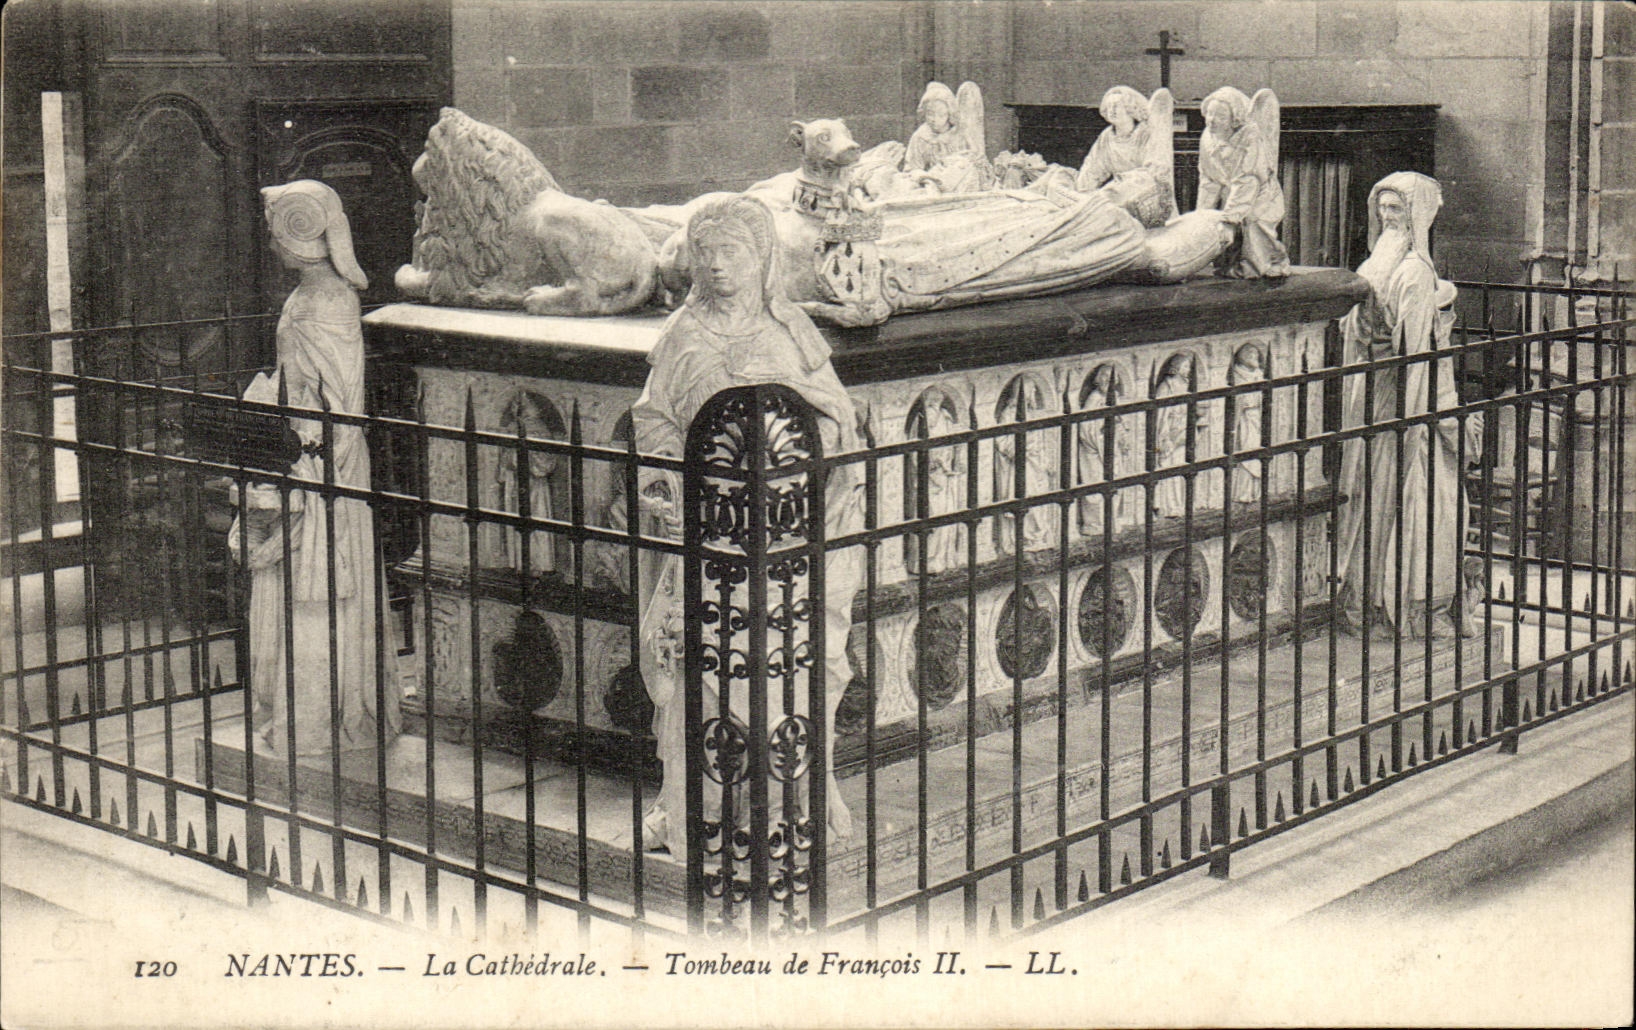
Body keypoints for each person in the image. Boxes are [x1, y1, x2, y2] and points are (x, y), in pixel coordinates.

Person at [630, 195, 862, 854]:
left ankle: (791, 801)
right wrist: (669, 479)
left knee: (789, 667)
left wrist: (787, 446)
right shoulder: (681, 335)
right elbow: (653, 422)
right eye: (706, 253)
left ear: (760, 260)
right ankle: (694, 807)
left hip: (783, 536)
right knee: (697, 669)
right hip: (708, 531)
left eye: (732, 251)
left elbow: (835, 419)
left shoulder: (790, 333)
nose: (718, 265)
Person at [231, 180, 400, 754]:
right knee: (289, 593)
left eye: (277, 233)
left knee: (319, 596)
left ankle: (321, 719)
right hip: (294, 453)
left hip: (319, 467)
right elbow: (297, 382)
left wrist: (301, 460)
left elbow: (340, 407)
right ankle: (299, 715)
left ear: (298, 238)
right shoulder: (306, 294)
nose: (272, 245)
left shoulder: (329, 300)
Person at [1333, 172, 1480, 639]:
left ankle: (1380, 602)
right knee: (1415, 502)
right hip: (1402, 403)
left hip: (1387, 399)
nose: (1386, 216)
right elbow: (1417, 356)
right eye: (1382, 208)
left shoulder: (1393, 267)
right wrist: (1424, 416)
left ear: (1418, 215)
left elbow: (1405, 346)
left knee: (1397, 500)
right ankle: (1404, 607)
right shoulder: (1404, 268)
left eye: (1396, 209)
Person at [1197, 87, 1291, 279]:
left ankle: (1268, 265)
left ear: (1234, 119)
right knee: (1224, 236)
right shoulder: (1207, 137)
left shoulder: (1250, 135)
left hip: (1260, 196)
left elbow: (1248, 179)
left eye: (1220, 116)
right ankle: (1229, 266)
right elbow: (1208, 179)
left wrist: (1231, 218)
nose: (1212, 120)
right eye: (1210, 114)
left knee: (1253, 227)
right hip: (1232, 196)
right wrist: (1203, 214)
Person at [1075, 86, 1176, 228]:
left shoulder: (1146, 134)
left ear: (1130, 108)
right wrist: (1082, 194)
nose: (1112, 110)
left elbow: (1154, 173)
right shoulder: (1107, 137)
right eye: (1109, 106)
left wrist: (1122, 187)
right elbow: (1093, 166)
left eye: (1116, 106)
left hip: (1147, 201)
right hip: (1118, 198)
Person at [1151, 354, 1195, 518]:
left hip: (1183, 431)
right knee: (1169, 471)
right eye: (1185, 367)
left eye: (1189, 367)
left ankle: (1179, 505)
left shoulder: (1186, 385)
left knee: (1181, 468)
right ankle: (1168, 507)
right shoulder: (1166, 387)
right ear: (1175, 368)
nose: (1188, 370)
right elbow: (1161, 416)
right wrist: (1165, 438)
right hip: (1169, 434)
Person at [1228, 344, 1266, 504]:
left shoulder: (1259, 374)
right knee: (1247, 452)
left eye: (1257, 354)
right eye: (1252, 355)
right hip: (1245, 420)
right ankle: (1242, 492)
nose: (1256, 357)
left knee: (1258, 452)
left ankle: (1255, 492)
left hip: (1258, 418)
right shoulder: (1237, 375)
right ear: (1243, 357)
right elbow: (1236, 402)